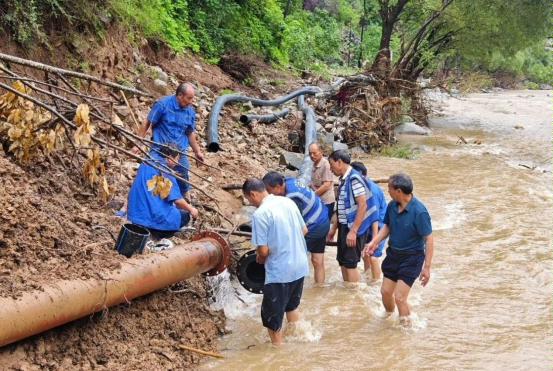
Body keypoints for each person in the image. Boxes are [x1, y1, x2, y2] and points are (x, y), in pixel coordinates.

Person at [243, 178, 309, 346]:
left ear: (253, 194)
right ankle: (300, 341)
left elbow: (263, 251)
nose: (251, 204)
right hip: (300, 266)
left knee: (272, 318)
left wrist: (260, 258)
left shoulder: (260, 214)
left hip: (280, 272)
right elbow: (304, 230)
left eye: (249, 200)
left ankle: (278, 352)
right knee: (291, 307)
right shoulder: (287, 202)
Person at [365, 173, 434, 325]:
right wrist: (374, 242)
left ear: (399, 191)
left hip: (412, 258)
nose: (387, 191)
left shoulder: (419, 212)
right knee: (385, 292)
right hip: (393, 255)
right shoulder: (392, 206)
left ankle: (406, 329)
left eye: (389, 188)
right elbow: (388, 227)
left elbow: (428, 239)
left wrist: (427, 268)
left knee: (400, 297)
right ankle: (389, 318)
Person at [135, 83, 204, 198]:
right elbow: (147, 122)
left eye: (193, 98)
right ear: (180, 95)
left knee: (183, 176)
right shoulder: (163, 104)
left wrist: (197, 151)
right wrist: (138, 143)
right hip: (159, 149)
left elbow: (190, 132)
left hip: (179, 152)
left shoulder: (190, 111)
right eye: (189, 98)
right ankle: (147, 198)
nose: (191, 102)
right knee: (150, 174)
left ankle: (184, 198)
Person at [262, 171, 330, 284]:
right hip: (322, 219)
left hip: (314, 225)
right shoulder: (289, 181)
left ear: (278, 187)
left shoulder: (292, 198)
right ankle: (319, 290)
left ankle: (290, 287)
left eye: (269, 191)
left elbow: (295, 225)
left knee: (290, 256)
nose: (269, 195)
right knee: (317, 260)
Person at [127, 144, 198, 242]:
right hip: (151, 217)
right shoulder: (165, 170)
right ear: (169, 158)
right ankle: (156, 234)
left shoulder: (147, 161)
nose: (177, 163)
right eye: (176, 159)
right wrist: (192, 209)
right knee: (185, 216)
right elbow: (177, 201)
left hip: (135, 215)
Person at [327, 150, 379, 283]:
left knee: (350, 264)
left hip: (354, 228)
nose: (331, 169)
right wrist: (334, 229)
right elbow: (342, 207)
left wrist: (354, 231)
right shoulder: (344, 180)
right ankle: (347, 295)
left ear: (339, 162)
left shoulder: (354, 179)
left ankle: (354, 295)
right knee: (343, 262)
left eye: (332, 165)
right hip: (345, 227)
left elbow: (363, 205)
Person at [350, 161, 387, 281]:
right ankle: (367, 277)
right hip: (369, 225)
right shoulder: (363, 186)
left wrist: (375, 240)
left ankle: (375, 283)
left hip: (380, 226)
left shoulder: (371, 190)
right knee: (366, 253)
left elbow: (375, 217)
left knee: (373, 256)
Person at [308, 142, 336, 221]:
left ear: (321, 152)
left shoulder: (326, 165)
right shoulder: (314, 164)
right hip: (318, 200)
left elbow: (326, 185)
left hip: (326, 201)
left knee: (323, 224)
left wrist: (313, 195)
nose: (312, 156)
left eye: (314, 153)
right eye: (310, 153)